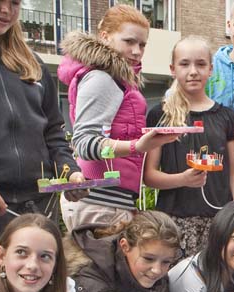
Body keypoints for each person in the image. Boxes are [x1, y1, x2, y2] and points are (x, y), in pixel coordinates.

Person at [0, 0, 84, 285]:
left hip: (36, 208)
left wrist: (68, 171)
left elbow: (53, 131)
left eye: (15, 2)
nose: (6, 10)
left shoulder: (33, 63)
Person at [57, 5, 179, 230]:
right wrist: (136, 146)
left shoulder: (117, 78)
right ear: (105, 37)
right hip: (99, 201)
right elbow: (84, 143)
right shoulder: (103, 78)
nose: (137, 51)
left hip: (109, 199)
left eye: (142, 44)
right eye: (129, 42)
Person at [145, 36, 234, 257]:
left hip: (218, 221)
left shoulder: (226, 117)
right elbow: (149, 175)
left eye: (200, 64)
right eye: (184, 64)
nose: (193, 71)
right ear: (172, 69)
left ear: (210, 69)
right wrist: (182, 179)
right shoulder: (160, 115)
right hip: (173, 222)